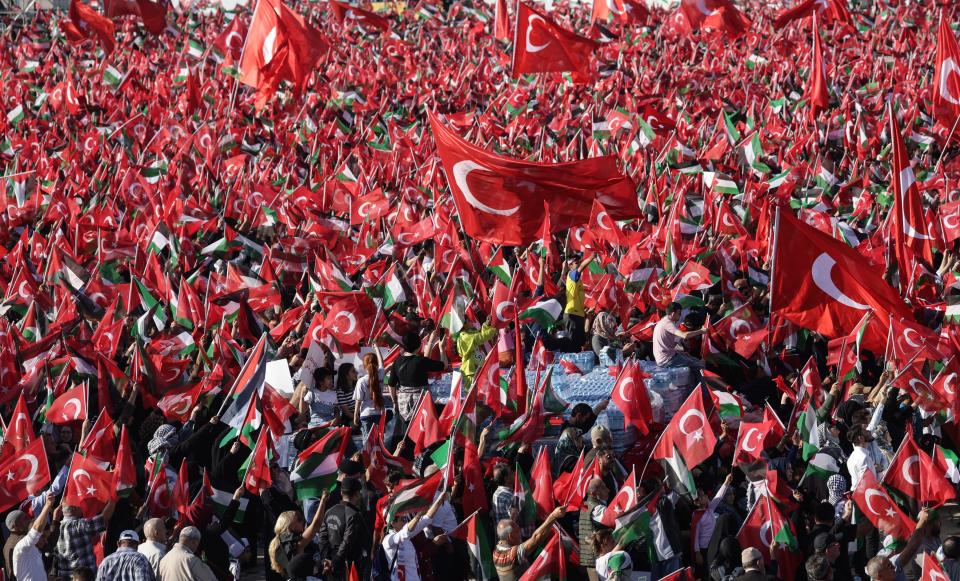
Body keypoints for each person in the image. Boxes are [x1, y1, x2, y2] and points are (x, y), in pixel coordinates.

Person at [381, 491, 450, 581]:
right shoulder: (388, 540)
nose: (406, 521)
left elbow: (426, 520)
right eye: (403, 519)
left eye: (406, 518)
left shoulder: (407, 535)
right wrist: (418, 515)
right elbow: (404, 533)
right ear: (393, 523)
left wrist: (439, 500)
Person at [387, 331, 445, 434]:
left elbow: (391, 384)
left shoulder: (397, 361)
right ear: (419, 346)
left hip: (403, 405)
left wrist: (394, 401)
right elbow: (443, 365)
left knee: (408, 432)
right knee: (422, 432)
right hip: (421, 404)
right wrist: (441, 348)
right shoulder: (420, 361)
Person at [493, 506, 567, 581]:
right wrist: (553, 516)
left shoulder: (499, 545)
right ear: (510, 536)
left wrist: (513, 516)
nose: (520, 533)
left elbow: (507, 529)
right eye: (518, 531)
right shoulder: (511, 556)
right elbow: (536, 538)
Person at [319, 477, 370, 581]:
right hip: (348, 567)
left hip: (331, 564)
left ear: (341, 493)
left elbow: (322, 538)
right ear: (356, 494)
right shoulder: (354, 515)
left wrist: (326, 559)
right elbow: (347, 542)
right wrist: (335, 562)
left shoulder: (330, 511)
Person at [269, 495, 327, 578]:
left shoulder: (280, 541)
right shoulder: (295, 542)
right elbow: (316, 523)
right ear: (290, 525)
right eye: (299, 520)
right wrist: (323, 500)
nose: (303, 522)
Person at [54, 499, 116, 578]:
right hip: (84, 577)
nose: (82, 507)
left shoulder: (57, 527)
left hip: (65, 577)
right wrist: (113, 499)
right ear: (75, 508)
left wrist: (55, 519)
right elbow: (104, 519)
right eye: (80, 505)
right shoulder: (79, 525)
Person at [13, 492, 56, 581]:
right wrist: (47, 506)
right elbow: (37, 528)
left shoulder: (36, 550)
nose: (46, 541)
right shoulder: (23, 547)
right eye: (43, 536)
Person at [652, 302, 708, 369]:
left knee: (693, 359)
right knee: (700, 365)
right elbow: (684, 335)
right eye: (679, 313)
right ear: (673, 314)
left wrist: (681, 353)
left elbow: (668, 346)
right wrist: (701, 331)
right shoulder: (667, 323)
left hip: (665, 357)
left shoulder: (663, 321)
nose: (680, 315)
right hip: (667, 360)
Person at [579, 477, 610, 581]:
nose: (608, 490)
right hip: (595, 560)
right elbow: (613, 520)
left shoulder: (586, 505)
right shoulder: (597, 509)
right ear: (594, 493)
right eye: (603, 488)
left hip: (589, 559)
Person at [353, 351, 386, 444]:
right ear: (376, 364)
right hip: (379, 413)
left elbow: (358, 401)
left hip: (366, 414)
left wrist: (356, 415)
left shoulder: (361, 381)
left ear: (364, 366)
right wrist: (376, 348)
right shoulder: (381, 374)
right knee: (379, 441)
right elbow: (382, 363)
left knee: (368, 443)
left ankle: (368, 459)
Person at [4, 509, 28, 580]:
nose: (28, 520)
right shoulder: (22, 540)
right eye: (24, 519)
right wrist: (55, 521)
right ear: (15, 525)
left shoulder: (7, 544)